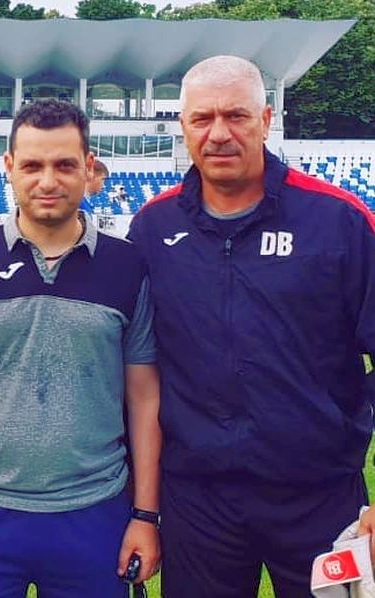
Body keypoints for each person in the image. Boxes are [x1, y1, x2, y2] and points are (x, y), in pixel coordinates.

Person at [127, 55, 375, 597]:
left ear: (265, 121)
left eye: (236, 116)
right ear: (183, 126)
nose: (219, 134)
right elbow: (135, 371)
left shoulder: (338, 220)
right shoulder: (152, 228)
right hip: (199, 501)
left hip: (319, 493)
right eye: (202, 118)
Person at [0, 99, 162, 597]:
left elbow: (145, 395)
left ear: (88, 167)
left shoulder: (127, 266)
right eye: (32, 166)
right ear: (9, 167)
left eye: (64, 165)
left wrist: (145, 514)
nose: (48, 181)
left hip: (94, 511)